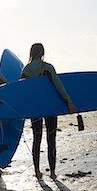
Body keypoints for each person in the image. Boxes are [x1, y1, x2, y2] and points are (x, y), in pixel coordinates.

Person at [21, 43, 77, 179]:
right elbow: (58, 85)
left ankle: (37, 171)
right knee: (51, 138)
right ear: (42, 53)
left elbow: (23, 91)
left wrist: (23, 108)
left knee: (37, 138)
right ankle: (52, 172)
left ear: (31, 53)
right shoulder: (47, 68)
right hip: (50, 107)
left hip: (35, 109)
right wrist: (68, 101)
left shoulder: (25, 70)